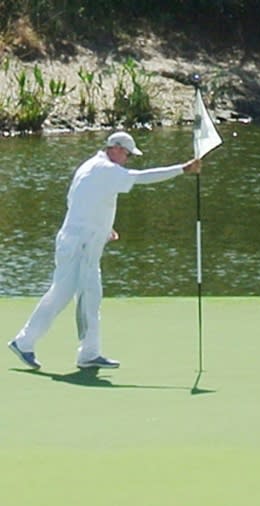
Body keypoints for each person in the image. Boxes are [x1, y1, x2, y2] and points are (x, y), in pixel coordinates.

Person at [8, 131, 202, 370]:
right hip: (81, 244)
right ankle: (36, 343)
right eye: (128, 154)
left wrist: (104, 228)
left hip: (80, 241)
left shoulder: (90, 166)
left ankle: (74, 350)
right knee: (72, 295)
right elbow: (141, 178)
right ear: (116, 148)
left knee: (82, 295)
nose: (128, 159)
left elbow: (79, 200)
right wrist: (182, 169)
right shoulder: (106, 169)